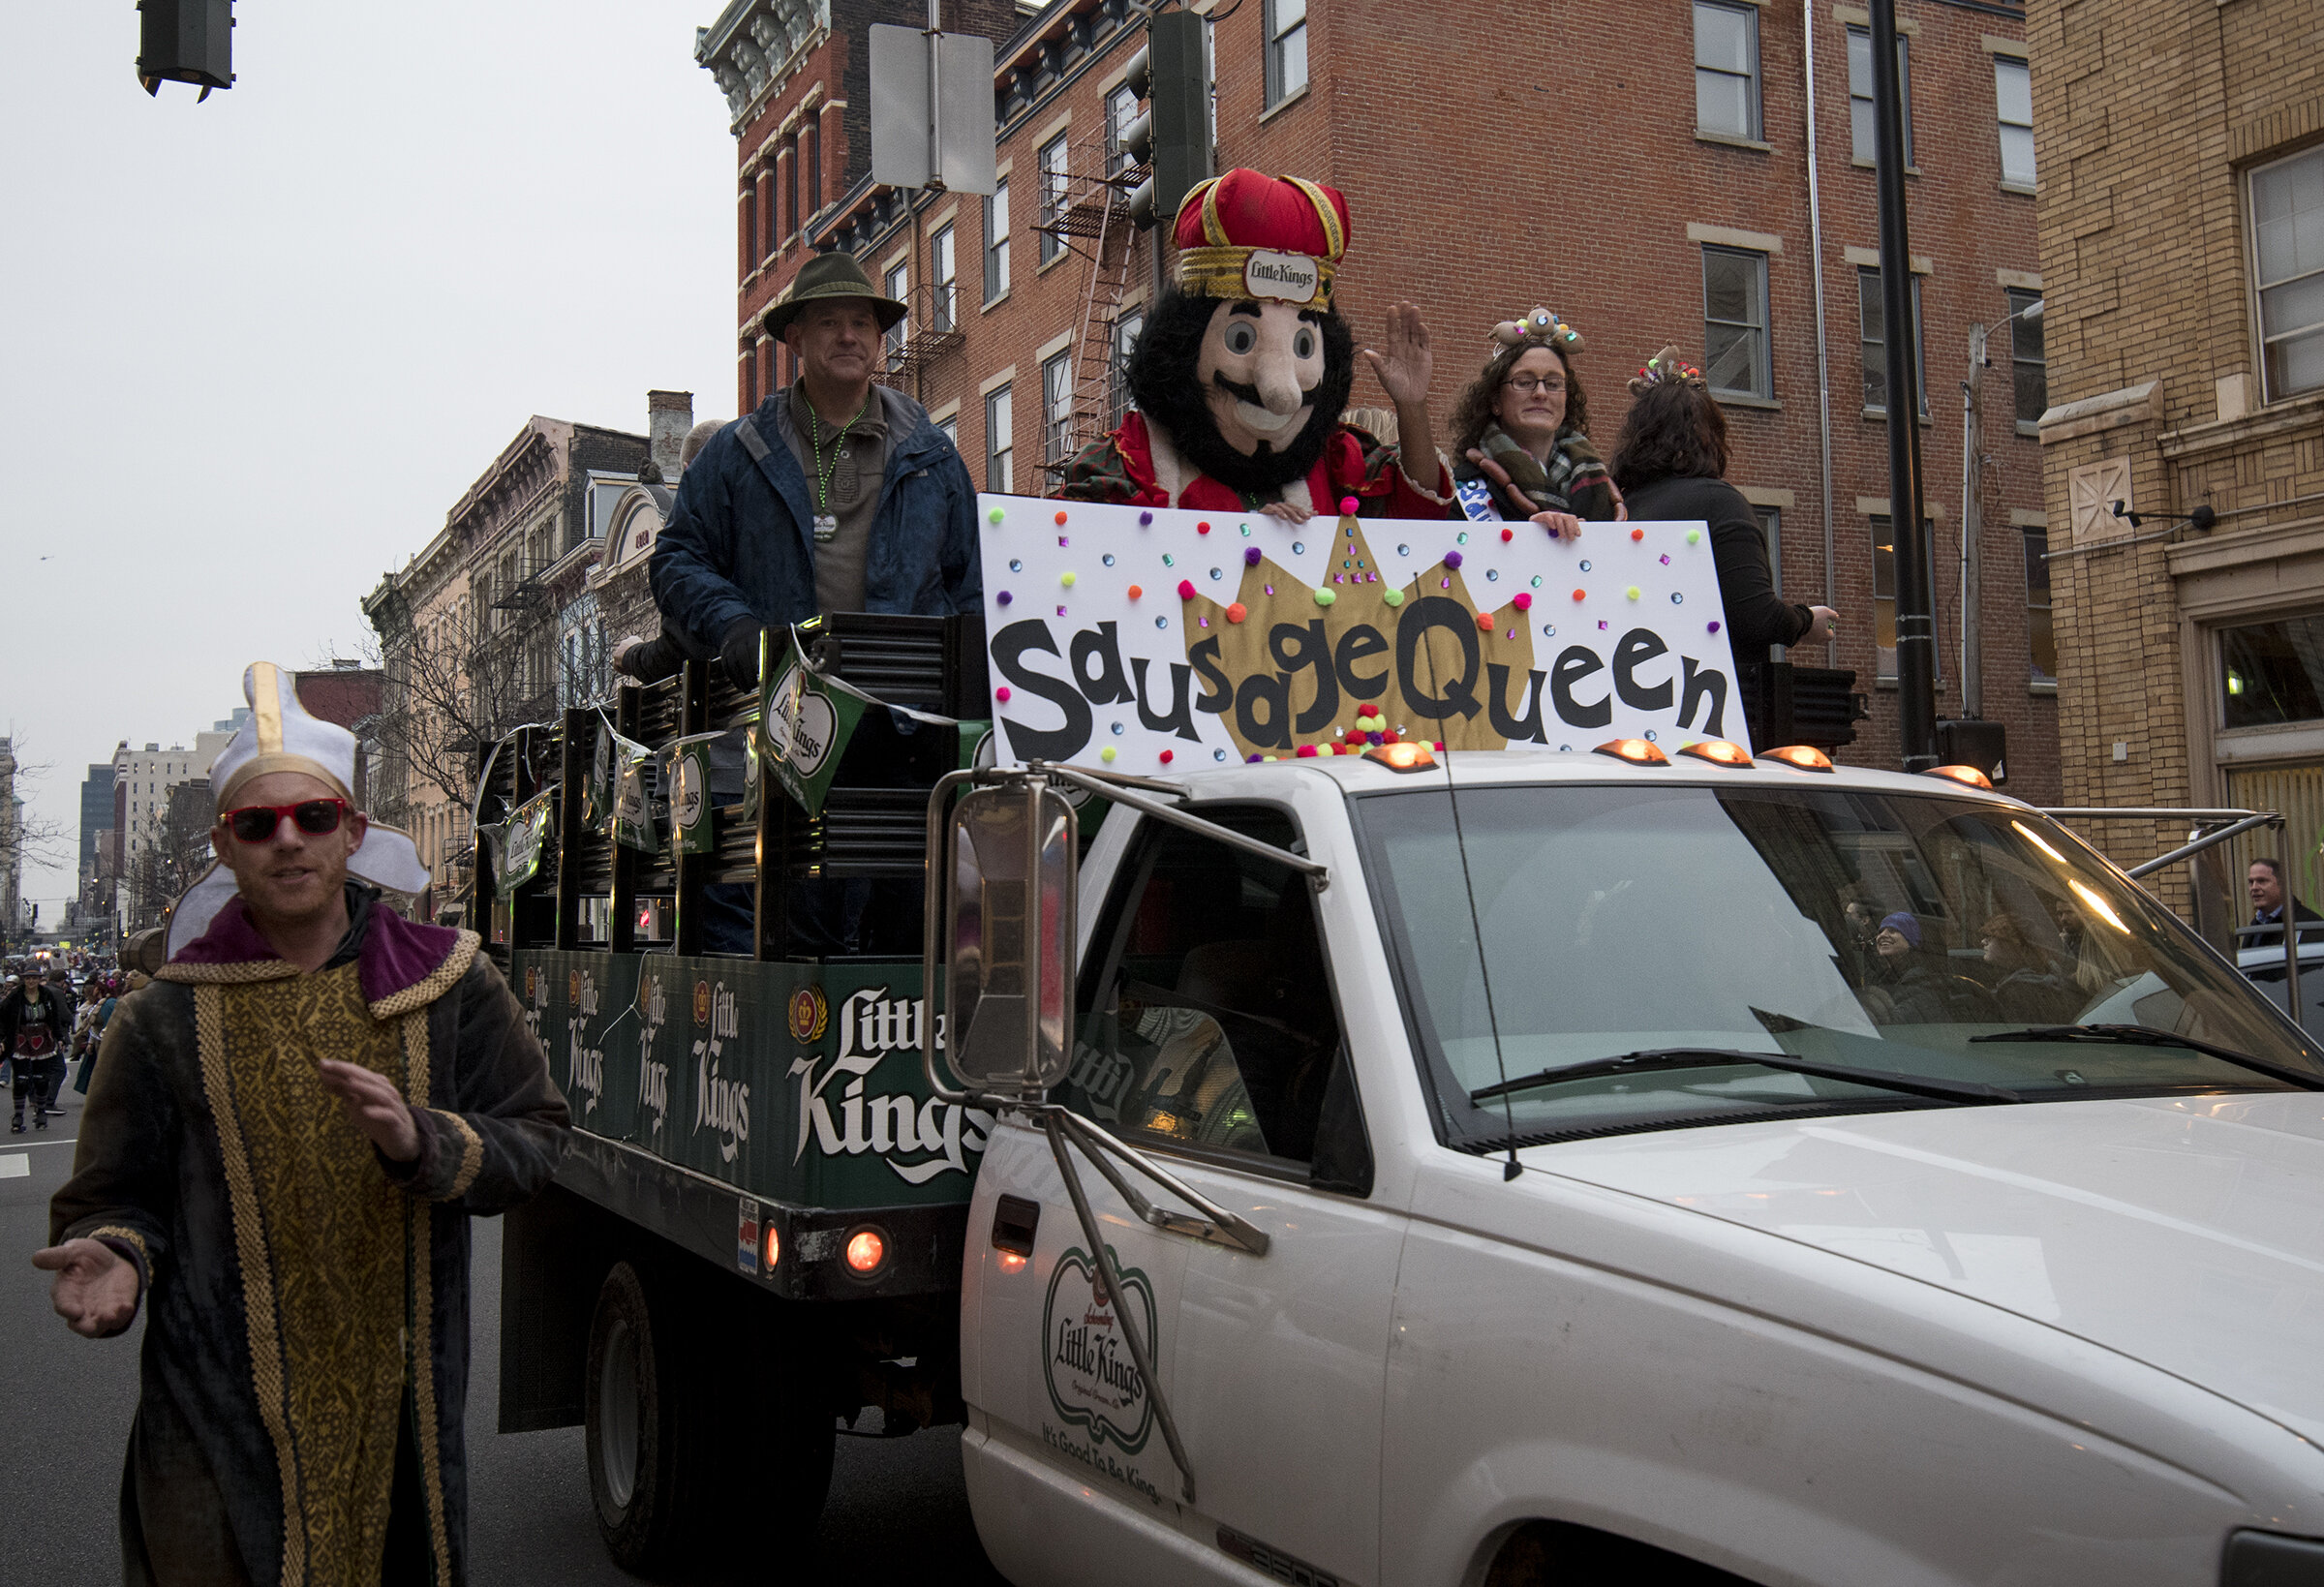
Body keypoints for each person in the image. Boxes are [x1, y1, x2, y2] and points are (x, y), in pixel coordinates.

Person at [37, 661, 569, 1586]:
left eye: (313, 817)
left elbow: (539, 1137)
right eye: (258, 823)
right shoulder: (164, 1015)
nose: (288, 841)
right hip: (214, 1420)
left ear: (353, 832)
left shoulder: (447, 983)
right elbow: (112, 1196)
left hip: (395, 1414)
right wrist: (115, 1249)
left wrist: (424, 1142)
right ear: (226, 845)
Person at [648, 249, 981, 684]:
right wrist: (733, 624)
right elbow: (677, 559)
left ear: (879, 341)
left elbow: (974, 580)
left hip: (909, 710)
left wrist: (973, 683)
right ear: (795, 339)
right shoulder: (738, 452)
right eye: (829, 322)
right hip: (782, 710)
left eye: (861, 323)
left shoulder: (931, 453)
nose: (847, 336)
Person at [1056, 168, 1451, 522]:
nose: (1283, 394)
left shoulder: (1333, 459)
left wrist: (1412, 406)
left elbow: (1416, 519)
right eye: (1241, 339)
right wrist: (1245, 541)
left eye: (1302, 346)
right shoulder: (1130, 462)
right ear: (1184, 348)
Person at [1610, 347, 1840, 657]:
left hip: (1632, 680)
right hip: (1711, 693)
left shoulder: (1620, 509)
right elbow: (1755, 616)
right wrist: (1805, 620)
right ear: (1709, 437)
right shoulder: (1719, 503)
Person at [1447, 307, 1621, 535]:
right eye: (1524, 381)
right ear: (1495, 400)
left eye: (1553, 383)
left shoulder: (1599, 487)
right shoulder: (1460, 491)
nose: (1541, 393)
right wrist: (1528, 538)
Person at [2, 965, 73, 1132]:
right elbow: (2, 1016)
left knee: (42, 1078)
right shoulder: (15, 996)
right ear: (23, 979)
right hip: (21, 1039)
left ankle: (40, 1112)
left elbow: (54, 1018)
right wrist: (2, 1039)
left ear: (39, 979)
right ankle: (18, 1116)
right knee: (21, 1080)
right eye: (28, 978)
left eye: (34, 978)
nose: (31, 981)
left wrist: (60, 1038)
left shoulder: (46, 995)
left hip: (42, 1039)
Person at [1979, 912, 2082, 1024]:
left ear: (2014, 944)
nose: (1983, 941)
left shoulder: (2018, 992)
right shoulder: (2039, 981)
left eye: (1991, 937)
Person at [2246, 857, 2322, 944]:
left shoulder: (2309, 925)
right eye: (2251, 882)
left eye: (2262, 881)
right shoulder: (2255, 925)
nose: (2254, 888)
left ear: (2282, 884)